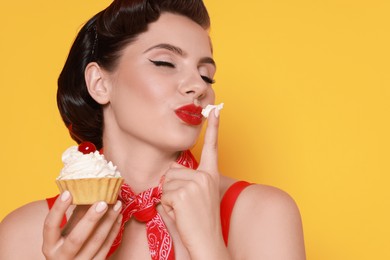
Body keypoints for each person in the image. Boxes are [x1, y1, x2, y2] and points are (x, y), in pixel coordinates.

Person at [0, 0, 306, 259]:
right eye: (164, 62)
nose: (198, 86)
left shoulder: (263, 214)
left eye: (206, 75)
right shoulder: (24, 233)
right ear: (100, 84)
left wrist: (208, 245)